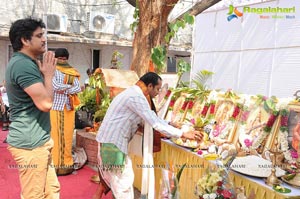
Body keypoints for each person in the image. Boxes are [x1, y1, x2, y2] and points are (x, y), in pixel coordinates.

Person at [92, 72, 203, 199]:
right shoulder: (136, 97)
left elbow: (151, 119)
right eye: (157, 89)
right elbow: (154, 122)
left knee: (115, 183)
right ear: (149, 86)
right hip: (113, 146)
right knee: (123, 185)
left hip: (110, 143)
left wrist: (171, 124)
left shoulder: (132, 93)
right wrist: (183, 134)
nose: (158, 92)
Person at [5, 17, 60, 198]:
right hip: (31, 144)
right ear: (25, 40)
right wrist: (49, 76)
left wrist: (44, 74)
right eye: (39, 36)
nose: (44, 39)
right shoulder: (22, 65)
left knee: (51, 191)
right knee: (34, 195)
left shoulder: (27, 63)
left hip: (39, 141)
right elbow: (45, 104)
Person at [50, 48, 81, 175]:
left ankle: (66, 164)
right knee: (55, 136)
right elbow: (55, 86)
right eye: (60, 58)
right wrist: (70, 87)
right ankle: (54, 165)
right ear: (55, 58)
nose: (62, 60)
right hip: (55, 107)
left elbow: (78, 88)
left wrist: (65, 89)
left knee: (67, 136)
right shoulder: (51, 70)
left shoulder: (72, 71)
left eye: (64, 58)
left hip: (68, 107)